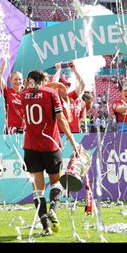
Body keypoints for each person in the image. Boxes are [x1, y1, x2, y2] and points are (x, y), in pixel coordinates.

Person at [21, 70, 79, 236]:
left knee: (37, 190)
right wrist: (73, 141)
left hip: (31, 146)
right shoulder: (51, 93)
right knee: (56, 183)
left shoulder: (24, 95)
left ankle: (45, 226)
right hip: (50, 145)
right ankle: (53, 208)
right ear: (44, 80)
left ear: (30, 80)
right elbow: (61, 119)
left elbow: (28, 92)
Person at [48, 62, 85, 133]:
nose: (67, 88)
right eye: (64, 86)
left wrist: (75, 71)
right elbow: (53, 85)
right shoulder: (55, 98)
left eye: (68, 86)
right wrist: (58, 70)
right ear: (58, 88)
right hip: (61, 132)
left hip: (75, 132)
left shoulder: (71, 96)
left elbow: (82, 85)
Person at [0, 58, 25, 134]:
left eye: (20, 79)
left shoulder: (26, 93)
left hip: (25, 128)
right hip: (11, 128)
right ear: (11, 80)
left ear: (23, 80)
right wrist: (5, 62)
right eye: (15, 79)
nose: (18, 81)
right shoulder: (8, 91)